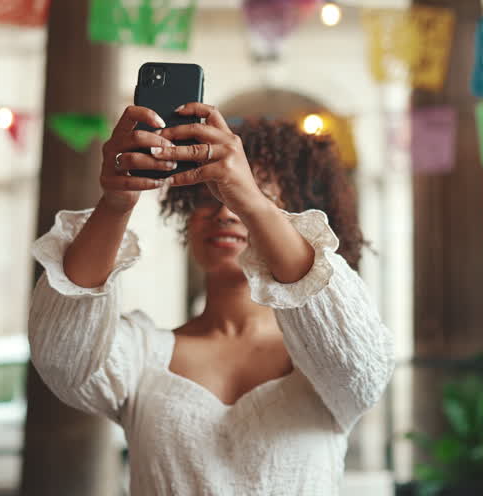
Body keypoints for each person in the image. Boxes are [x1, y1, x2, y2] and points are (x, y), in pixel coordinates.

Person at [28, 102, 395, 496]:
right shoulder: (142, 353)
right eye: (206, 199)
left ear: (298, 218)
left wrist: (249, 201)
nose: (224, 213)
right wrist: (116, 202)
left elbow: (362, 364)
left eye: (243, 196)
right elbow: (64, 356)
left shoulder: (322, 361)